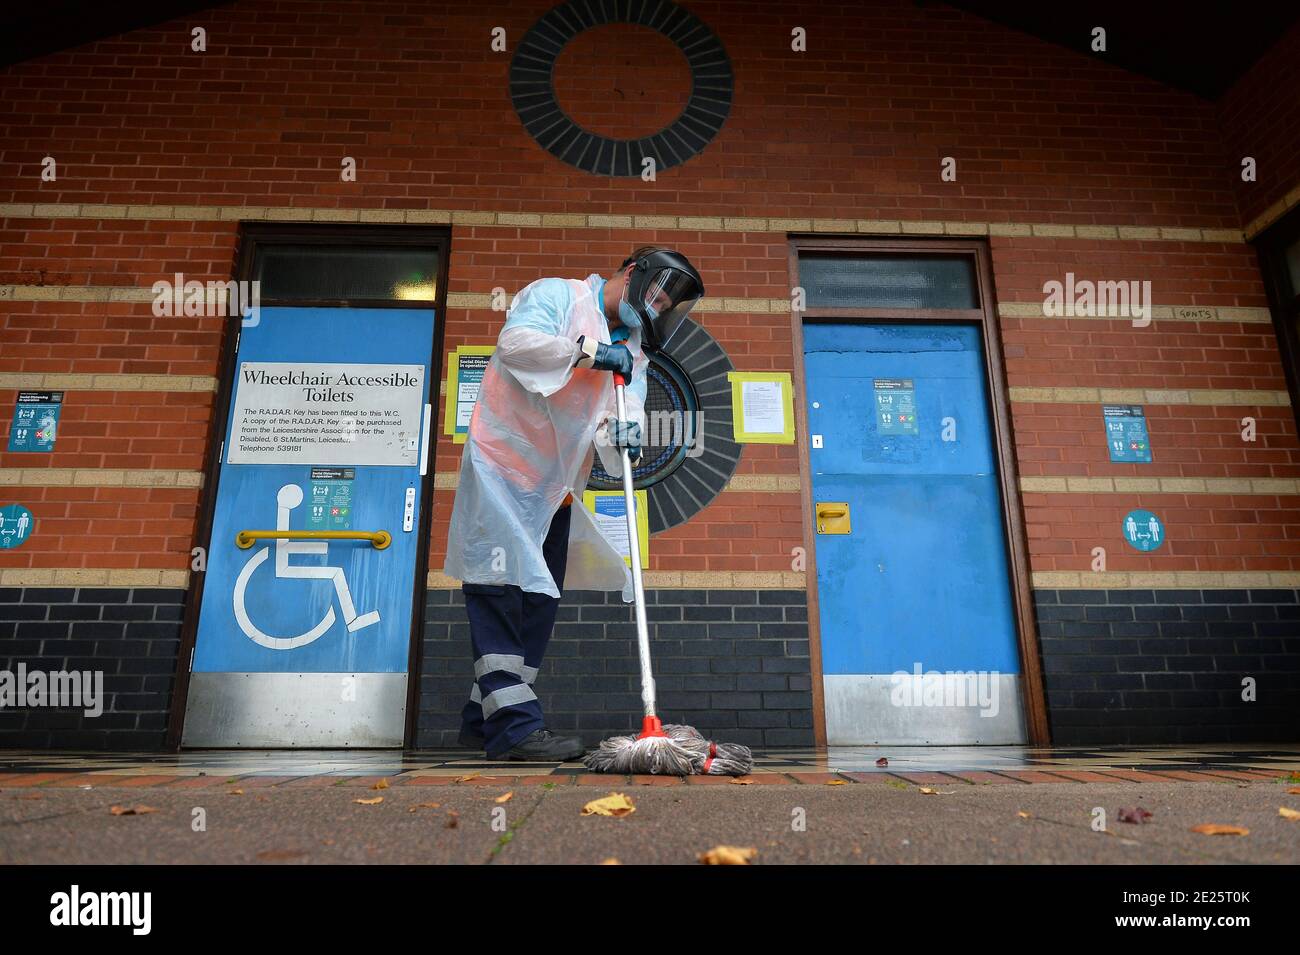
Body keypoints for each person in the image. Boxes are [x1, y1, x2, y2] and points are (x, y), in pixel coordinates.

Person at [443, 247, 705, 760]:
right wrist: (589, 352)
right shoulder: (555, 295)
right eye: (659, 293)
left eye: (670, 304)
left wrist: (623, 431)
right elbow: (516, 345)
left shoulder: (634, 351)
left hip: (555, 487)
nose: (660, 307)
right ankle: (515, 729)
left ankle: (482, 720)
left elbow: (617, 416)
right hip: (503, 466)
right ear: (632, 274)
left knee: (538, 601)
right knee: (500, 590)